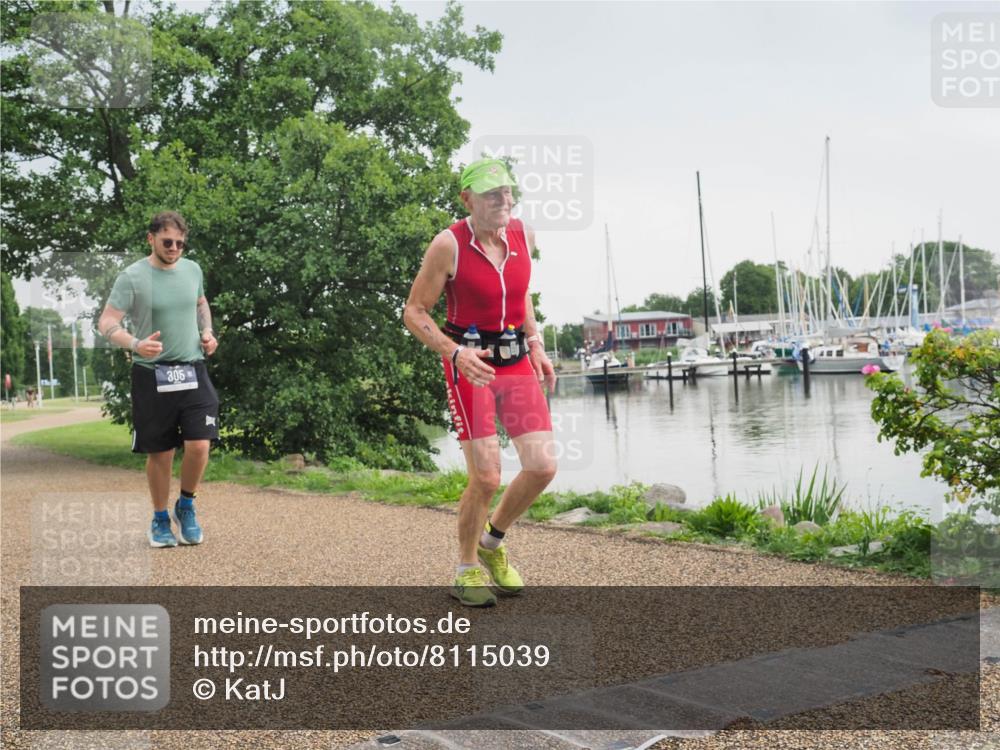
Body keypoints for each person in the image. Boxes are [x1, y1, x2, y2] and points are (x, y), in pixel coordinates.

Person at [403, 158, 558, 607]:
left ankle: (492, 543)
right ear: (467, 199)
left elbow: (521, 291)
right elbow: (414, 312)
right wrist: (456, 354)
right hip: (469, 363)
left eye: (508, 192)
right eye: (492, 194)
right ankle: (466, 567)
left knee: (543, 466)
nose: (503, 201)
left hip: (515, 361)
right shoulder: (447, 245)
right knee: (487, 476)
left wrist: (535, 342)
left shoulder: (522, 235)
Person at [97, 211, 219, 548]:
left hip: (193, 369)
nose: (175, 248)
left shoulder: (192, 269)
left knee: (199, 444)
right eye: (168, 242)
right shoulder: (132, 276)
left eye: (180, 243)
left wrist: (207, 331)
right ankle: (160, 518)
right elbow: (106, 322)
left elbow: (200, 302)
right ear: (151, 238)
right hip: (152, 375)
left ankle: (187, 505)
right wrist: (136, 344)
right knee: (162, 453)